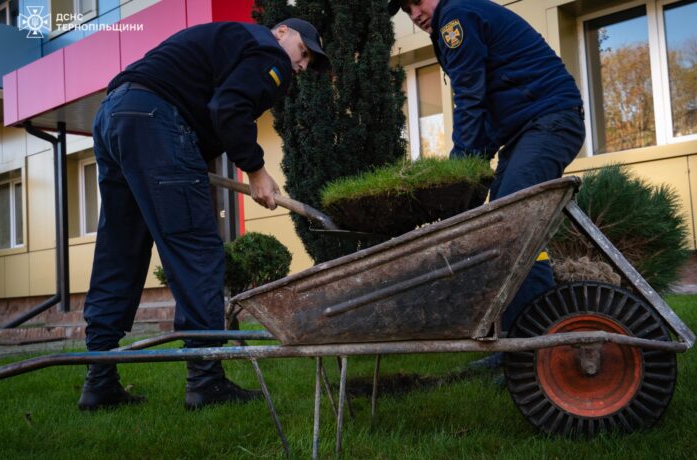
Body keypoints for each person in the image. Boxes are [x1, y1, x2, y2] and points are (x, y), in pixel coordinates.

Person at [79, 18, 330, 411]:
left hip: (114, 114)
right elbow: (229, 108)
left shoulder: (230, 41)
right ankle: (205, 380)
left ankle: (99, 378)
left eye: (307, 64)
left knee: (120, 250)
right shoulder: (268, 53)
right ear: (283, 32)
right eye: (304, 54)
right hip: (153, 119)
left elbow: (209, 113)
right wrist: (258, 171)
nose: (300, 67)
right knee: (197, 251)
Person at [388, 0, 585, 368]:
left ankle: (529, 350)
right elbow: (491, 106)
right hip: (528, 129)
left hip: (551, 120)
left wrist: (460, 167)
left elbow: (471, 98)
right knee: (500, 226)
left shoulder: (455, 17)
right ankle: (513, 343)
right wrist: (470, 175)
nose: (413, 13)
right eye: (405, 8)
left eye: (416, 1)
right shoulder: (454, 20)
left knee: (514, 223)